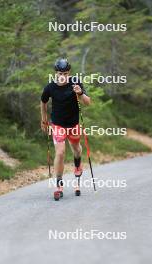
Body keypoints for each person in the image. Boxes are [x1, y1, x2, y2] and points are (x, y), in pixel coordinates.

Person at [40, 58, 91, 200]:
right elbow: (43, 102)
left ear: (69, 72)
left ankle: (77, 167)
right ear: (56, 73)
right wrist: (43, 119)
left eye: (66, 73)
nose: (63, 76)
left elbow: (88, 102)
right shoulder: (50, 87)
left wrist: (80, 93)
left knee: (76, 150)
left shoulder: (75, 83)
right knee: (60, 152)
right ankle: (59, 185)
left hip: (73, 124)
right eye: (60, 73)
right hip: (58, 124)